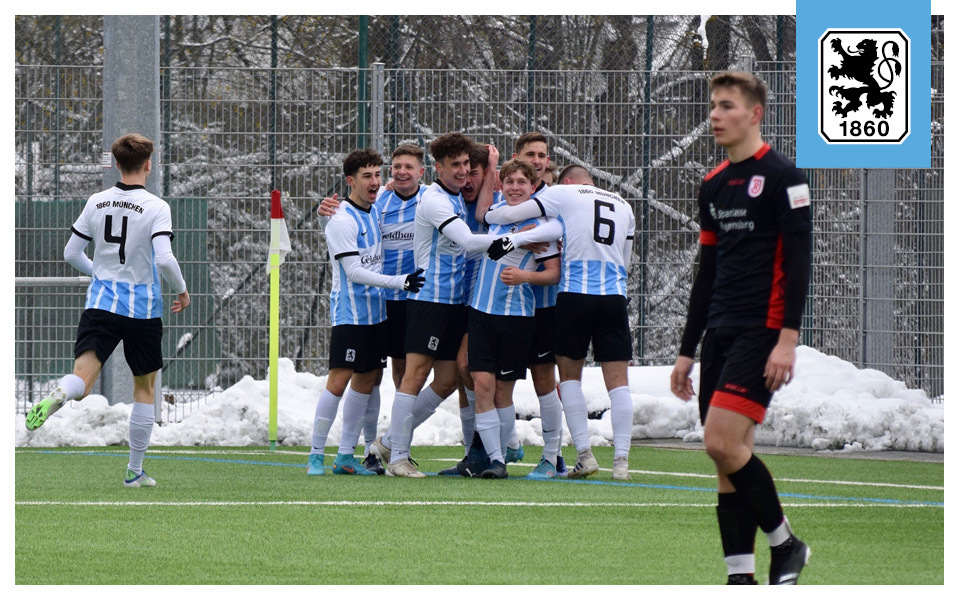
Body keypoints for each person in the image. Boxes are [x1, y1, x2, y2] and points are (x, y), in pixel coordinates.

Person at [669, 71, 813, 585]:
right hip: (721, 332)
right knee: (729, 462)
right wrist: (688, 350)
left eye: (726, 106)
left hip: (763, 329)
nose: (714, 115)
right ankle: (740, 577)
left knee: (721, 442)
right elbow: (707, 272)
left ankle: (787, 543)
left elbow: (799, 262)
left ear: (754, 114)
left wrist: (788, 339)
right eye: (712, 106)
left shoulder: (784, 177)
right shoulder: (712, 185)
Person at [373, 133, 554, 477]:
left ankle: (388, 442)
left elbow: (484, 210)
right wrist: (519, 239)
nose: (461, 171)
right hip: (430, 299)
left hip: (456, 302)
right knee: (415, 374)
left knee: (447, 379)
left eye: (466, 165)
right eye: (454, 165)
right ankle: (397, 455)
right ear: (437, 168)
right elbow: (470, 241)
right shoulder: (436, 200)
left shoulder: (458, 196)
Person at [24, 133, 191, 488]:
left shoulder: (96, 202)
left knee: (82, 380)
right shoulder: (157, 207)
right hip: (143, 308)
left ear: (116, 163)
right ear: (149, 164)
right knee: (145, 386)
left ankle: (62, 392)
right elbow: (164, 257)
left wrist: (100, 272)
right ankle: (134, 471)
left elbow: (71, 253)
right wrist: (182, 290)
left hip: (101, 302)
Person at [484, 164, 636, 481]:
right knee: (619, 384)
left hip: (575, 296)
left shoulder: (563, 193)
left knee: (569, 379)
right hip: (613, 298)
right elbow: (626, 260)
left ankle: (584, 455)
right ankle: (621, 462)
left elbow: (518, 216)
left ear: (566, 182)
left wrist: (495, 225)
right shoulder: (623, 204)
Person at [308, 148, 424, 476]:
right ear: (350, 181)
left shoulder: (374, 209)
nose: (374, 182)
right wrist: (399, 282)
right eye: (366, 176)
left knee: (371, 378)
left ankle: (346, 455)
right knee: (339, 380)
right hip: (351, 315)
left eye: (377, 175)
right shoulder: (342, 219)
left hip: (376, 313)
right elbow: (355, 272)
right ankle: (315, 454)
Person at [462, 159, 562, 478]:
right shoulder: (495, 216)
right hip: (481, 313)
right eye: (510, 182)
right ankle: (497, 461)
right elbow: (481, 212)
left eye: (522, 182)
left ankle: (505, 453)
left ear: (533, 188)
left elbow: (553, 273)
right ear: (500, 186)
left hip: (517, 317)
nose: (515, 187)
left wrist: (523, 275)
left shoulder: (539, 225)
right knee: (481, 384)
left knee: (502, 393)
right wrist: (490, 164)